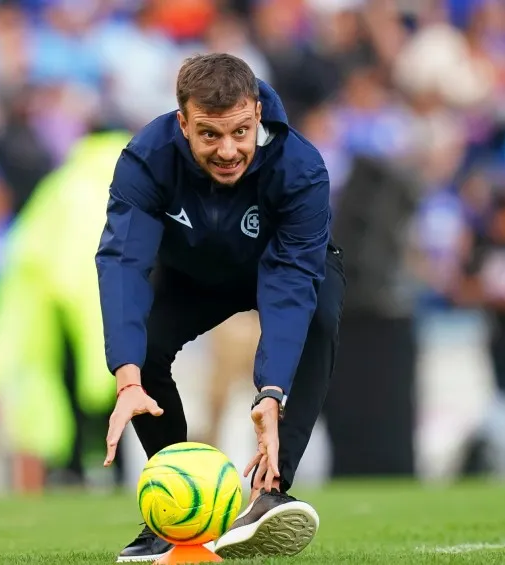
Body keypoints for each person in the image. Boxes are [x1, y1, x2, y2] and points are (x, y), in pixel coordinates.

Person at [95, 53, 345, 562]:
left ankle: (271, 491)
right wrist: (127, 379)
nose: (228, 150)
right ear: (183, 123)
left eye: (240, 132)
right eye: (209, 134)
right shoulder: (145, 159)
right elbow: (123, 264)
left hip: (274, 268)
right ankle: (175, 507)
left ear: (257, 113)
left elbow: (291, 282)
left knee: (318, 316)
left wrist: (272, 391)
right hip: (192, 273)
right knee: (143, 350)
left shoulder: (301, 167)